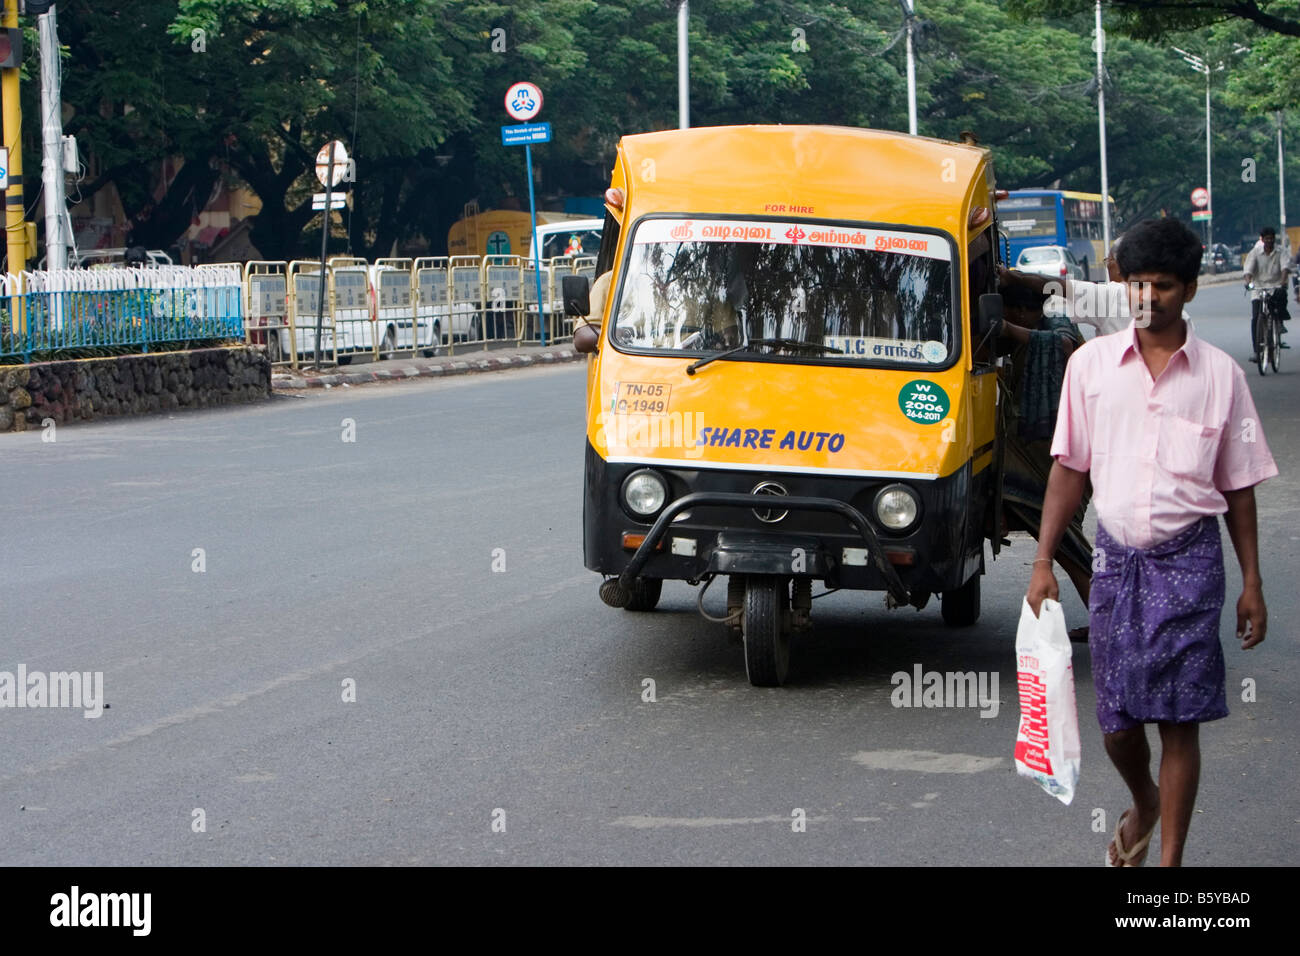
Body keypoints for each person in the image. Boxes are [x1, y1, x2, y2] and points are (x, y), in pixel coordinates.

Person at [1027, 217, 1277, 867]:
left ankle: (1169, 865)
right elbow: (1067, 468)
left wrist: (1252, 583)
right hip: (1114, 560)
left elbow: (1241, 487)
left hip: (1191, 561)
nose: (1148, 298)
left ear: (1189, 289)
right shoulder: (1090, 368)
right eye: (1137, 284)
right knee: (1117, 720)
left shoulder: (1222, 378)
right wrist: (1042, 561)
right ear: (1123, 284)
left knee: (1178, 718)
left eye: (1163, 285)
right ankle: (1143, 798)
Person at [995, 282, 1093, 635]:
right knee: (1066, 543)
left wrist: (1008, 331)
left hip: (1063, 453)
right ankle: (1106, 618)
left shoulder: (1056, 325)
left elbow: (1064, 345)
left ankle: (1111, 619)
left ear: (1020, 313)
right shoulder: (1035, 326)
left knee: (1067, 542)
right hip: (1043, 453)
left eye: (1007, 313)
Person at [1242, 227, 1290, 358]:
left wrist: (1283, 281)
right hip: (1259, 288)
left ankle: (1279, 323)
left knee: (1279, 302)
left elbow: (1285, 268)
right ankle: (1257, 351)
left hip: (1276, 286)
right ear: (1262, 239)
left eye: (1271, 238)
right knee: (1256, 317)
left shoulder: (1281, 252)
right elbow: (1248, 270)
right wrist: (1248, 282)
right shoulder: (1255, 253)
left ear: (1274, 238)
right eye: (1267, 238)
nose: (1269, 241)